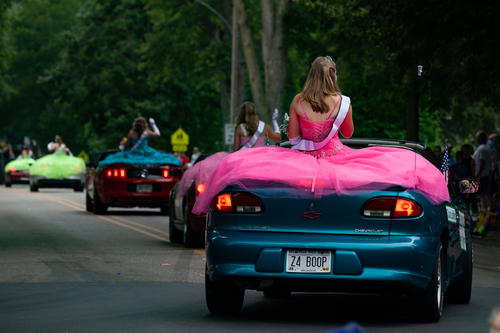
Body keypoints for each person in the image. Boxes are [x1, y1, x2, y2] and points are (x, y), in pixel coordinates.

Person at [192, 55, 449, 215]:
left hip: (301, 158)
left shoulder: (297, 101)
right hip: (338, 156)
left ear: (311, 74)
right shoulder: (343, 102)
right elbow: (347, 133)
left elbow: (293, 139)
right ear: (333, 75)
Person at [98, 117, 181, 169]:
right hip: (146, 152)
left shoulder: (131, 133)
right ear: (144, 124)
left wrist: (125, 147)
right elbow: (158, 134)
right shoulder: (147, 132)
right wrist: (153, 125)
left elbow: (128, 146)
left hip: (133, 153)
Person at [473, 130, 491, 210]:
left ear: (479, 138)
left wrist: (478, 173)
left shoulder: (483, 148)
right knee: (482, 192)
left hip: (482, 174)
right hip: (484, 173)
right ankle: (484, 208)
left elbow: (482, 161)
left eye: (476, 137)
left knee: (482, 193)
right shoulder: (486, 147)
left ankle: (484, 209)